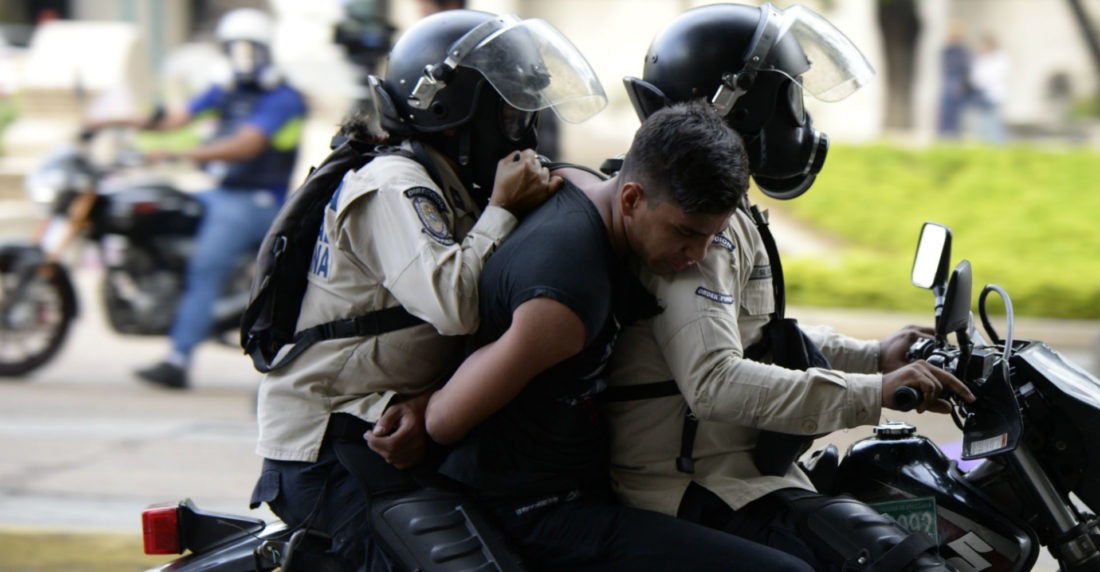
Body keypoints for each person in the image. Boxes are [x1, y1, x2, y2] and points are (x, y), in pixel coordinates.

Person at [608, 4, 975, 571]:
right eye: (789, 99)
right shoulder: (693, 231)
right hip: (700, 486)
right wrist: (871, 391)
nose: (798, 120)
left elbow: (761, 336)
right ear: (734, 106)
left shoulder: (718, 209)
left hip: (748, 471)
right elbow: (715, 382)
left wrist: (874, 355)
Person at [250, 10, 607, 570]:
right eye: (510, 113)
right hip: (331, 446)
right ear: (453, 110)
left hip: (386, 428)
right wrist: (502, 210)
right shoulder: (394, 184)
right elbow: (456, 307)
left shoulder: (445, 183)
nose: (523, 129)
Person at [425, 100, 813, 572]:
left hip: (587, 483)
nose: (696, 255)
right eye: (686, 233)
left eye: (713, 237)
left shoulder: (576, 181)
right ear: (630, 198)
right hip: (536, 511)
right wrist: (420, 402)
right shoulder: (563, 305)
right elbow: (444, 421)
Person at [86, 8, 308, 389]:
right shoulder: (225, 90)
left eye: (249, 48)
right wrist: (114, 120)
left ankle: (178, 359)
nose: (243, 57)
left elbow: (245, 145)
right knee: (158, 209)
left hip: (254, 201)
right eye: (234, 48)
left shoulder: (285, 98)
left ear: (266, 50)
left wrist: (179, 154)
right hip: (218, 193)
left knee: (204, 267)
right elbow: (175, 117)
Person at [969, 33, 1010, 144]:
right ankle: (985, 145)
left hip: (993, 95)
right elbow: (976, 76)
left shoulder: (999, 59)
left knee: (993, 123)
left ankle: (998, 145)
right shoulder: (980, 59)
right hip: (981, 96)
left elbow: (988, 77)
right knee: (982, 124)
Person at [938, 22, 972, 139]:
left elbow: (966, 68)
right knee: (945, 110)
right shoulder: (947, 50)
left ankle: (954, 134)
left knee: (957, 111)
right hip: (950, 79)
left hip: (959, 81)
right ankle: (944, 134)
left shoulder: (964, 51)